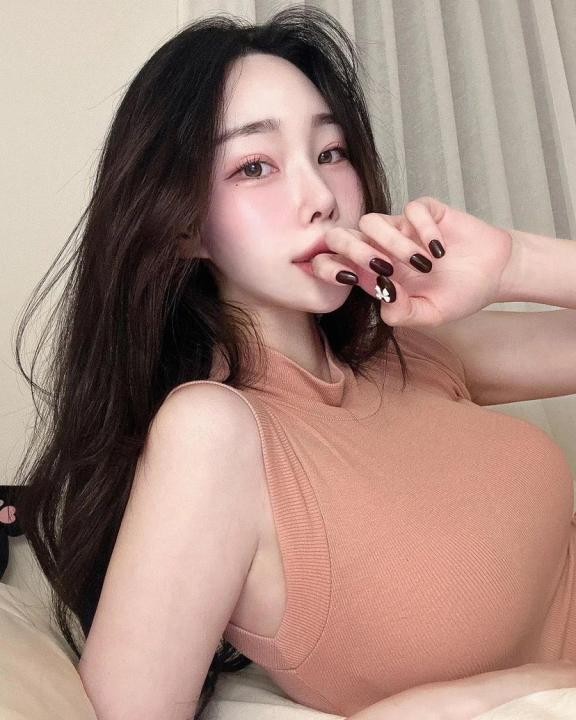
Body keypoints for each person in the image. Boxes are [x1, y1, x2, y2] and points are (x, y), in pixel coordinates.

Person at [11, 5, 576, 720]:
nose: (319, 199)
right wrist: (477, 697)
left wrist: (516, 263)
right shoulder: (212, 434)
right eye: (255, 166)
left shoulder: (411, 348)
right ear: (184, 224)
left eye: (331, 153)